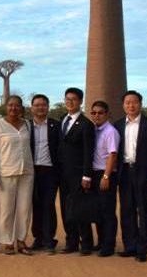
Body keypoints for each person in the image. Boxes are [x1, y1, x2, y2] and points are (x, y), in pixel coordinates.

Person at [114, 90, 147, 262]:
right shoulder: (118, 125)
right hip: (125, 172)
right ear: (123, 105)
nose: (131, 105)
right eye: (127, 102)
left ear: (140, 104)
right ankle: (130, 246)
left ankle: (142, 249)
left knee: (144, 210)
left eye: (134, 102)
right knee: (126, 210)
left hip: (145, 171)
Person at [0, 95, 35, 255]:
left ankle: (21, 241)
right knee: (5, 209)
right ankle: (7, 241)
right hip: (5, 172)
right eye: (10, 105)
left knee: (24, 209)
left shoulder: (27, 124)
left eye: (17, 105)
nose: (13, 108)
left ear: (22, 108)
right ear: (6, 107)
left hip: (26, 172)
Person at [56, 87, 95, 255]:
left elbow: (89, 151)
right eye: (67, 99)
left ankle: (86, 243)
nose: (70, 102)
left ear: (80, 101)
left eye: (73, 99)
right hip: (62, 174)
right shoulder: (62, 120)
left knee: (80, 208)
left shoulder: (86, 124)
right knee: (66, 209)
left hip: (78, 174)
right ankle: (71, 242)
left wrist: (87, 175)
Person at [28, 94, 61, 253]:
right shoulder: (26, 126)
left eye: (43, 105)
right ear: (31, 107)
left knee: (48, 205)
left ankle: (49, 239)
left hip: (50, 171)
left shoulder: (57, 125)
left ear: (48, 107)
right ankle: (38, 238)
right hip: (31, 171)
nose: (40, 107)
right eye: (37, 105)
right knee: (35, 204)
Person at [87, 101, 119, 257]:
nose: (96, 115)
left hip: (105, 174)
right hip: (95, 174)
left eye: (100, 113)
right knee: (98, 210)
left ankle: (109, 245)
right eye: (93, 113)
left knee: (107, 211)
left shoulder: (110, 131)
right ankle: (101, 241)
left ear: (107, 114)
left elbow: (113, 155)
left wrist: (106, 176)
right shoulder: (95, 130)